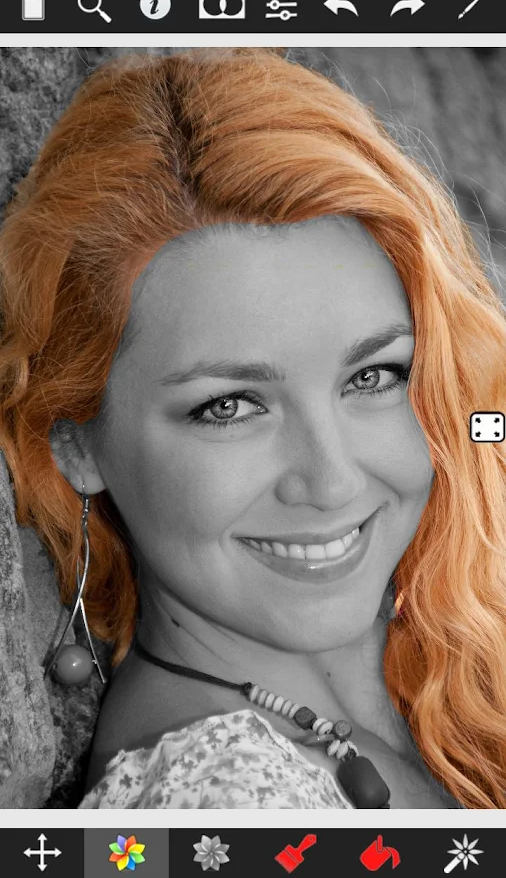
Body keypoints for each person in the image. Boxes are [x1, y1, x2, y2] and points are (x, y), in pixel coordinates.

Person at [0, 47, 505, 810]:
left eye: (373, 376)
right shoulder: (223, 801)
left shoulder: (458, 641)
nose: (332, 480)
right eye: (230, 405)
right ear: (77, 444)